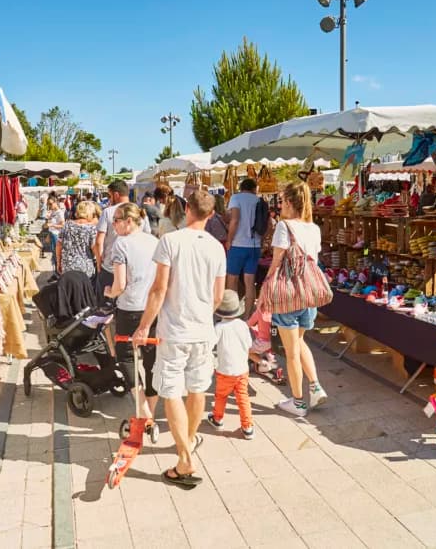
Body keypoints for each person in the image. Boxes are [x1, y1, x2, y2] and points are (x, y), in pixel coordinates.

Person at [132, 189, 226, 488]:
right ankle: (186, 443)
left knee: (171, 389)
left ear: (187, 210)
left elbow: (159, 290)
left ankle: (185, 457)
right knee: (197, 389)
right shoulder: (216, 248)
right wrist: (203, 313)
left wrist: (143, 326)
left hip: (174, 329)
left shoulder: (170, 242)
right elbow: (218, 295)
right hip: (202, 329)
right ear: (211, 215)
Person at [260, 180, 328, 417]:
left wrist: (264, 291)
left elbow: (276, 263)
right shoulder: (314, 228)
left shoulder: (284, 226)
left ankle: (298, 403)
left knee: (290, 353)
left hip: (288, 294)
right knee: (299, 342)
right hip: (309, 295)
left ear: (289, 202)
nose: (279, 206)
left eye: (281, 201)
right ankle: (316, 386)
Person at [104, 203, 161, 442]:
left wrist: (109, 292)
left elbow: (120, 284)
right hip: (153, 308)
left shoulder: (121, 244)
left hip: (129, 308)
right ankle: (150, 417)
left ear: (129, 221)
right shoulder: (155, 242)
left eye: (116, 220)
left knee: (126, 357)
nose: (113, 224)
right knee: (151, 360)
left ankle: (144, 412)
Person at [206, 290, 254, 439]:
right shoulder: (242, 325)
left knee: (220, 396)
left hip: (225, 370)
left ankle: (218, 418)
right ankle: (247, 427)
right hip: (242, 370)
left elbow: (210, 344)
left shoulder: (219, 328)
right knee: (243, 398)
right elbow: (249, 344)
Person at [95, 180, 150, 301]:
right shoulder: (138, 211)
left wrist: (99, 263)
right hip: (134, 268)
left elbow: (99, 241)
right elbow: (147, 235)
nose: (109, 199)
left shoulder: (108, 212)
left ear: (116, 194)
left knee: (105, 308)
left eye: (109, 195)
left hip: (110, 267)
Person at [225, 178, 263, 316]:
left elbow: (234, 220)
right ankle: (247, 316)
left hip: (238, 244)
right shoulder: (258, 200)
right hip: (254, 245)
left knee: (232, 280)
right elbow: (267, 224)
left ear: (242, 187)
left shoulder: (236, 198)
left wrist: (229, 240)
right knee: (250, 282)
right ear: (254, 188)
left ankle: (231, 313)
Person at [56, 200, 99, 282]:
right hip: (85, 268)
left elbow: (59, 245)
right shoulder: (91, 228)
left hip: (67, 266)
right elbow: (94, 248)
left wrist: (58, 262)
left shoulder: (67, 225)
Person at [46, 198, 66, 274]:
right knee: (54, 255)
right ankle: (55, 273)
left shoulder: (59, 212)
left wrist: (52, 225)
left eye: (50, 204)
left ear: (55, 203)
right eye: (48, 204)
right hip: (52, 234)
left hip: (56, 235)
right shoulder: (53, 212)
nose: (49, 205)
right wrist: (49, 233)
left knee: (57, 255)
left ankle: (58, 273)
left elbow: (63, 225)